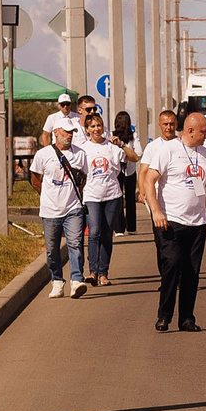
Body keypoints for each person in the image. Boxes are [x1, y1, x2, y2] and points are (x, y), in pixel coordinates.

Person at [141, 110, 206, 332]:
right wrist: (156, 211)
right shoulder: (167, 151)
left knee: (191, 271)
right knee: (172, 265)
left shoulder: (205, 154)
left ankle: (187, 318)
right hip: (170, 221)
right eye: (203, 131)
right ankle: (164, 315)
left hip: (197, 223)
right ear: (190, 130)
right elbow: (149, 181)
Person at [30, 122, 89, 298]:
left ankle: (77, 280)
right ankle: (57, 280)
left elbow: (83, 177)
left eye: (72, 132)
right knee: (52, 249)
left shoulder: (80, 154)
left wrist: (76, 195)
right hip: (50, 211)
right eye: (66, 131)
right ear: (56, 132)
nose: (69, 135)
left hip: (73, 208)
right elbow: (34, 178)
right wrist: (46, 195)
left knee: (76, 243)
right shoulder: (43, 154)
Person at [77, 111, 131, 286]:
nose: (96, 129)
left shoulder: (111, 146)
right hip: (92, 195)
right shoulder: (83, 149)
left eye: (99, 125)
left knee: (107, 234)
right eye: (92, 126)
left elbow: (135, 158)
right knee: (94, 232)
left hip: (112, 195)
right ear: (87, 130)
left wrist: (121, 145)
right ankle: (92, 271)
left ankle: (103, 273)